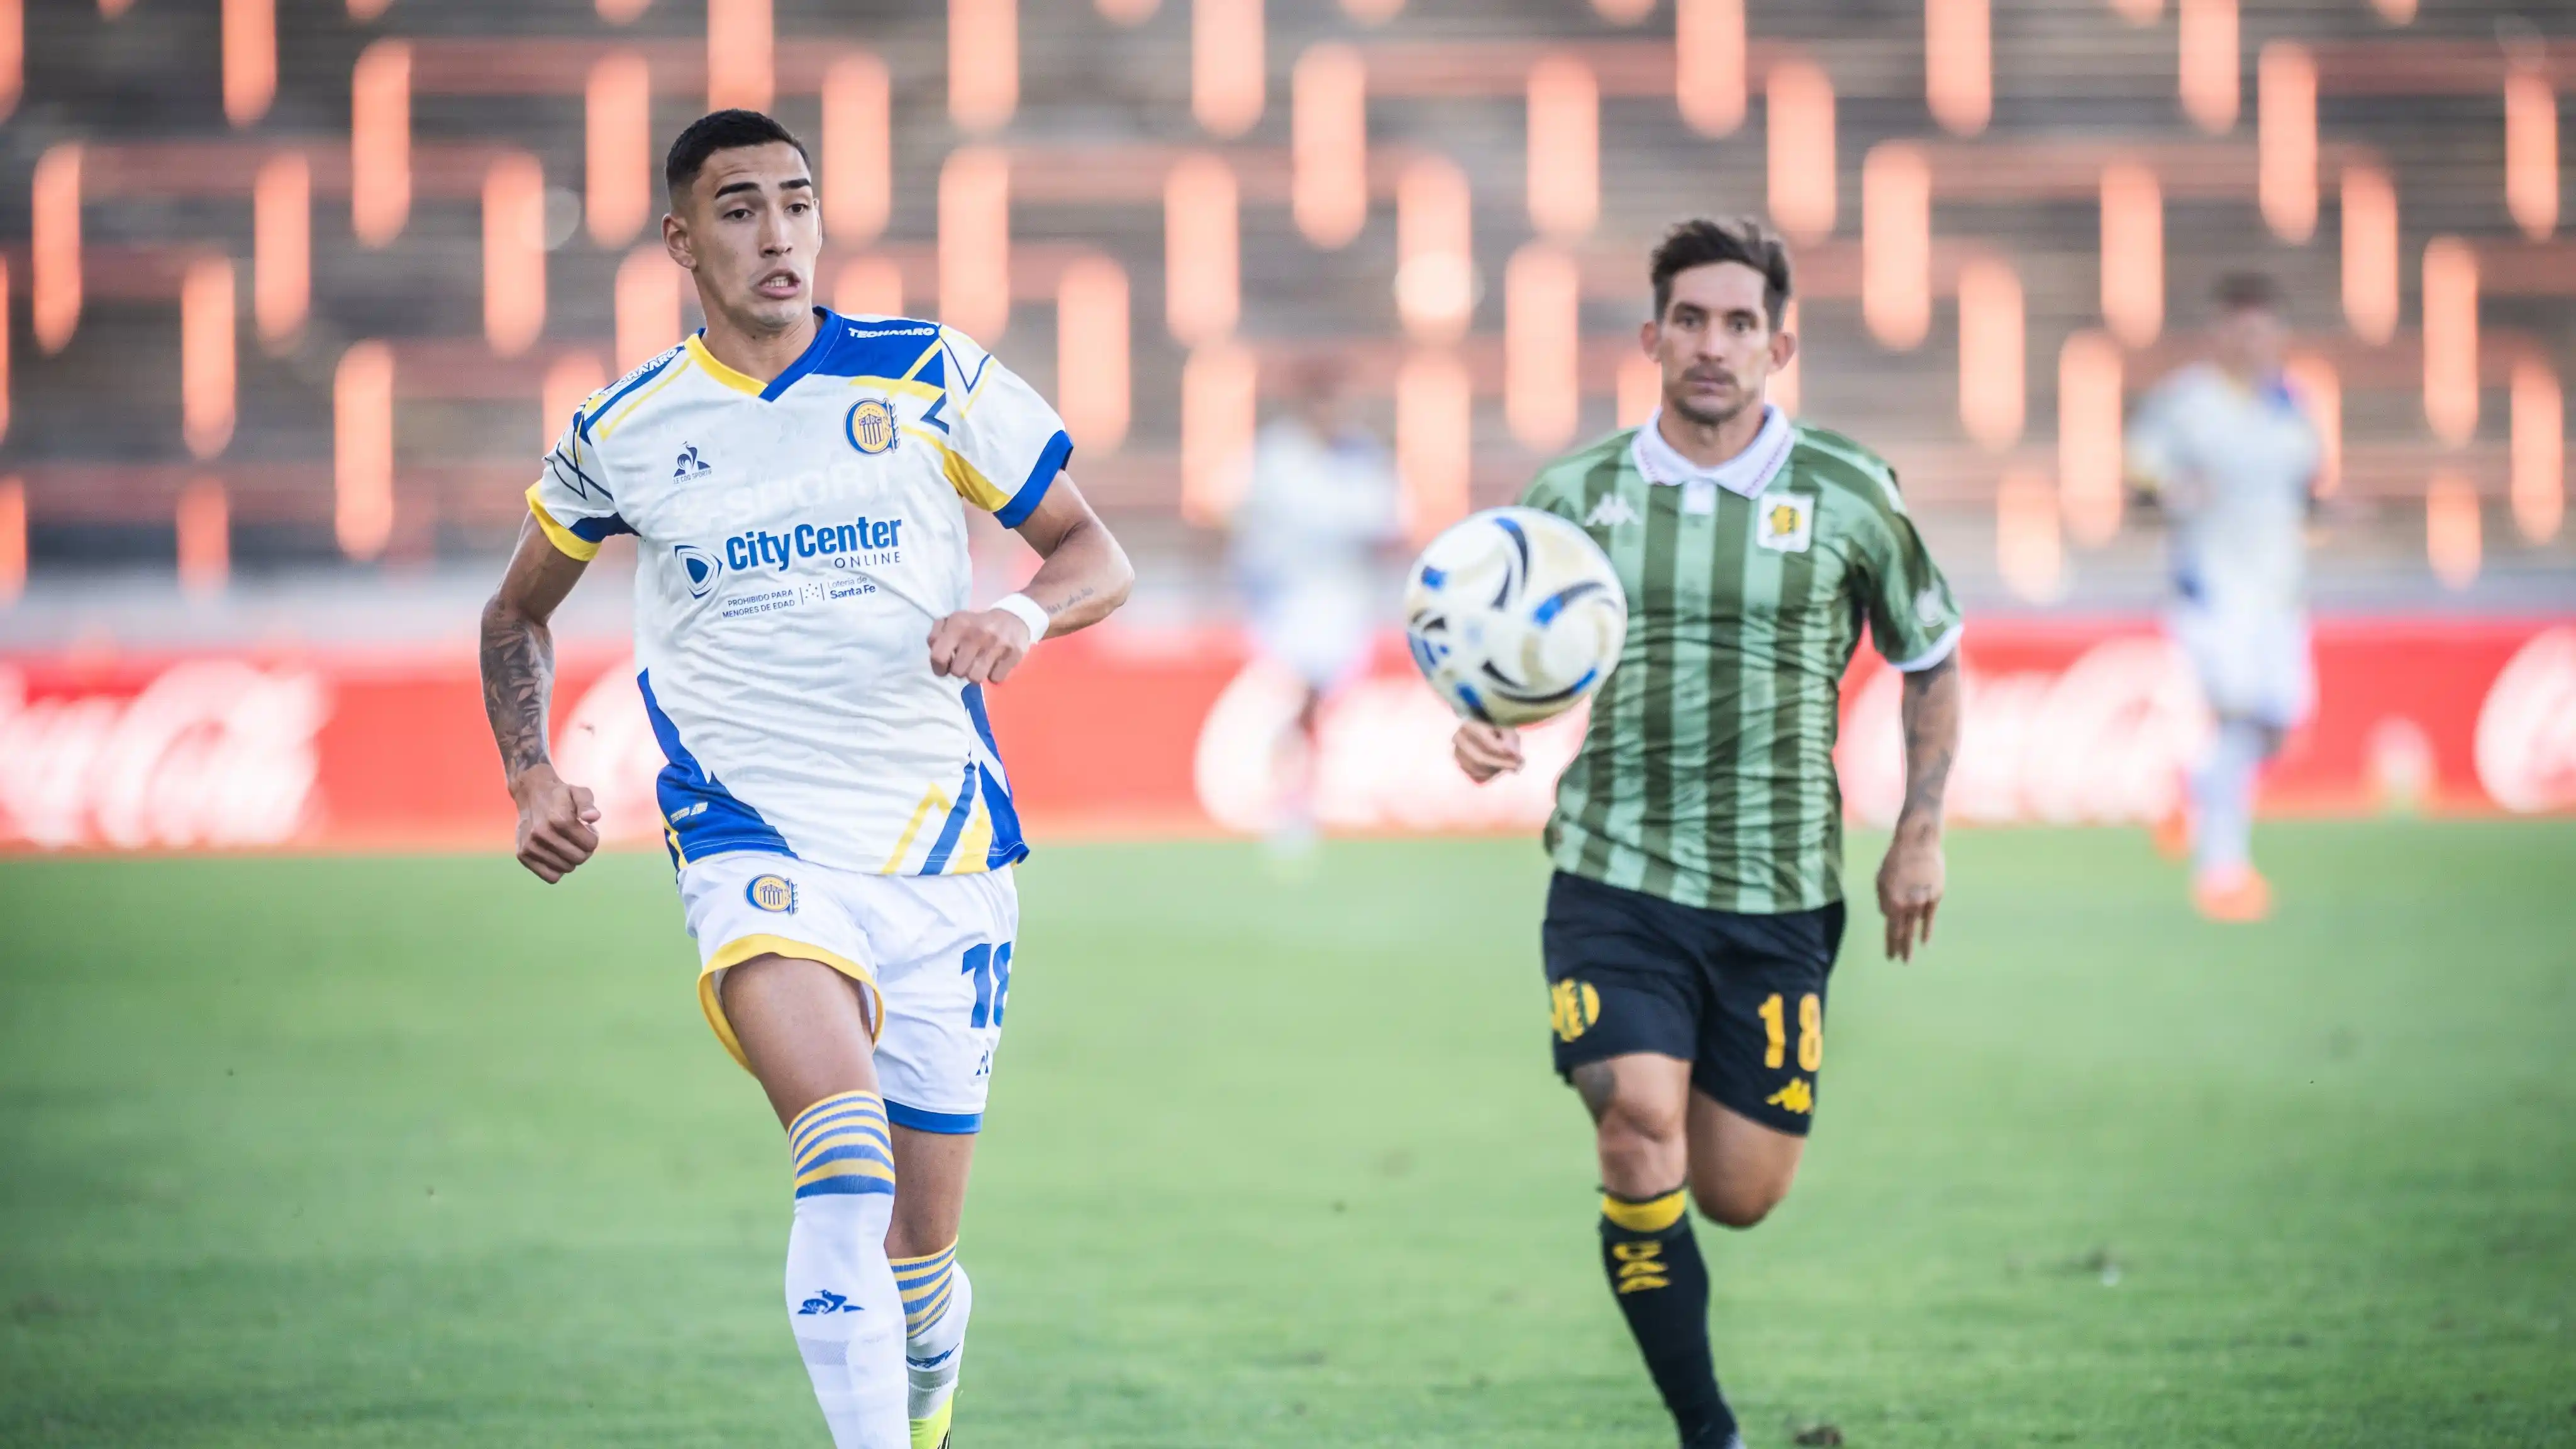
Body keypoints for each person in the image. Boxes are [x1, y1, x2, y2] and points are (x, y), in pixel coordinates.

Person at [477, 110, 1133, 1449]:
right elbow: (515, 614)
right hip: (749, 837)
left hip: (943, 850)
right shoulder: (625, 429)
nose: (777, 232)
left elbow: (1093, 554)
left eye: (796, 200)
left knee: (918, 1258)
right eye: (739, 208)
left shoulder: (927, 373)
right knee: (840, 1159)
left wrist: (1015, 617)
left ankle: (928, 1356)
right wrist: (529, 770)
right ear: (681, 240)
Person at [1449, 217, 1962, 1449]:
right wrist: (1482, 722)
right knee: (1636, 1127)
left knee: (1736, 1192)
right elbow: (1508, 651)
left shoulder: (1849, 489)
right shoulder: (1574, 494)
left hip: (1779, 892)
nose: (1712, 345)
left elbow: (1931, 657)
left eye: (1739, 323)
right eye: (1690, 320)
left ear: (1778, 345)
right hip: (1611, 875)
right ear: (1651, 337)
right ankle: (1707, 1431)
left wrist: (1918, 828)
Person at [2126, 273, 2320, 923]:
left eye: (2263, 331)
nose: (2252, 342)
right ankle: (2223, 874)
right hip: (2213, 590)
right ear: (2219, 333)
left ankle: (2188, 788)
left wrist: (2329, 509)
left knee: (2276, 727)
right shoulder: (2185, 403)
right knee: (2235, 719)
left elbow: (2302, 487)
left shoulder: (2289, 403)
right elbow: (2140, 482)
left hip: (2279, 594)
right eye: (2241, 330)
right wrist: (2171, 491)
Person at [1226, 358, 1404, 850]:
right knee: (1297, 698)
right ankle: (1288, 799)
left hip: (1344, 606)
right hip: (1286, 605)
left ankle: (1300, 794)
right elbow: (1242, 523)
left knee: (1317, 707)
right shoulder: (1277, 456)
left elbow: (1389, 528)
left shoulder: (1364, 458)